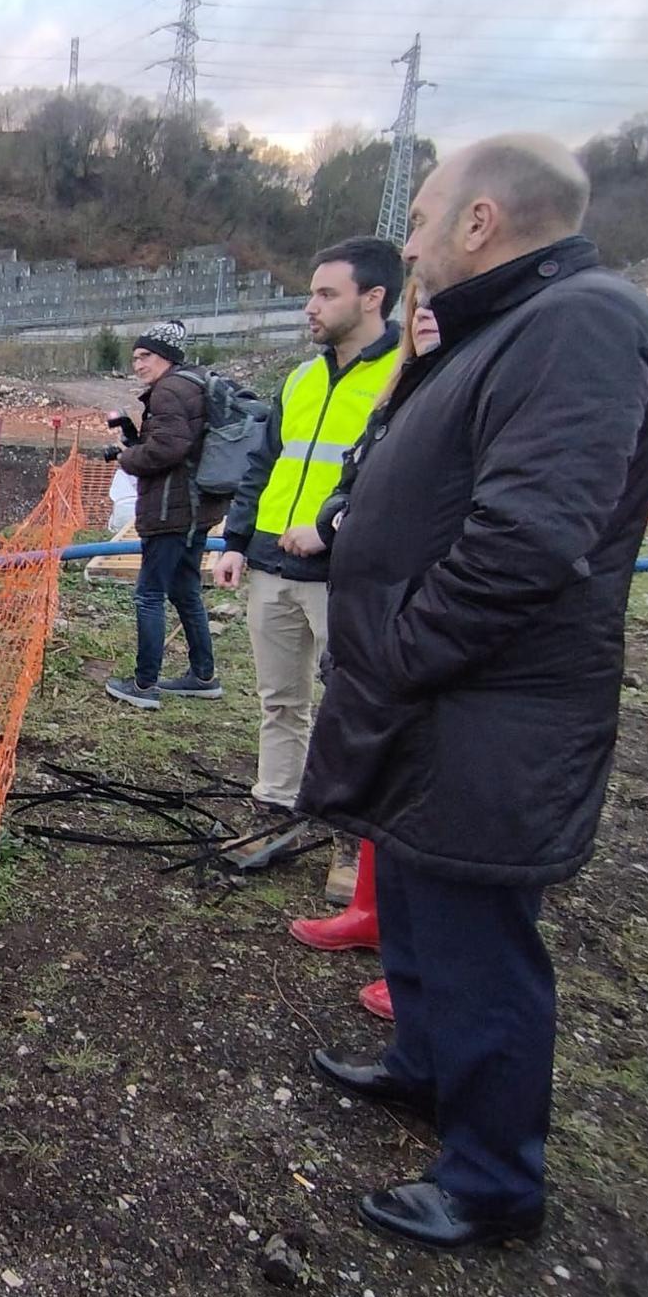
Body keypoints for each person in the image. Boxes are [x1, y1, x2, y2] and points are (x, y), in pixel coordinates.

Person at [298, 135, 648, 1251]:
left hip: (487, 705)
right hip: (436, 701)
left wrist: (402, 647)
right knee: (419, 901)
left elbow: (525, 540)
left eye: (416, 222)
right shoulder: (503, 327)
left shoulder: (581, 326)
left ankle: (491, 1181)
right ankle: (424, 1067)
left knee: (478, 939)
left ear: (479, 222)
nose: (405, 244)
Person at [216, 238, 404, 901]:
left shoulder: (405, 377)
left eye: (327, 294)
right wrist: (236, 541)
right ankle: (275, 809)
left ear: (373, 297)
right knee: (280, 699)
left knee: (350, 706)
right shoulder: (299, 379)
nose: (310, 307)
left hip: (345, 575)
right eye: (312, 293)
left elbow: (399, 480)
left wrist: (330, 529)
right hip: (270, 564)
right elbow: (263, 465)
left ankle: (352, 842)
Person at [102, 321, 226, 710]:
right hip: (195, 508)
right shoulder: (192, 384)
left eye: (146, 356)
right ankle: (202, 676)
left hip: (171, 510)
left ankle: (144, 684)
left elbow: (167, 449)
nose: (138, 364)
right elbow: (176, 444)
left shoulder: (170, 390)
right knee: (186, 591)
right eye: (135, 357)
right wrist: (136, 439)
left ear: (167, 356)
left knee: (149, 595)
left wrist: (126, 456)